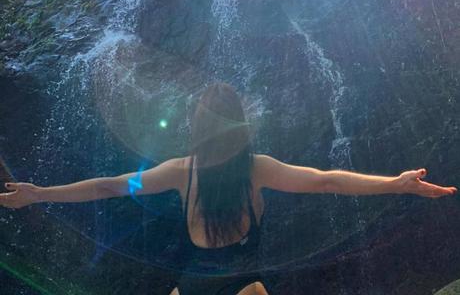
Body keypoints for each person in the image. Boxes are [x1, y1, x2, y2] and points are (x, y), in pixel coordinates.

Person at [0, 82, 457, 295]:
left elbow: (108, 187)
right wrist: (397, 185)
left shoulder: (180, 171)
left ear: (197, 126)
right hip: (245, 288)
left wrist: (39, 192)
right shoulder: (258, 168)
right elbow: (328, 180)